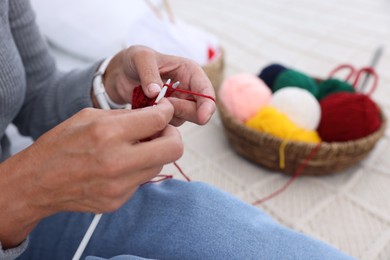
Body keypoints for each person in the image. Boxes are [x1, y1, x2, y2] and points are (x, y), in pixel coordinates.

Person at [0, 1, 353, 259]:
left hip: (35, 203)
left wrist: (109, 83)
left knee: (217, 227)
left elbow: (33, 92)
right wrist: (23, 192)